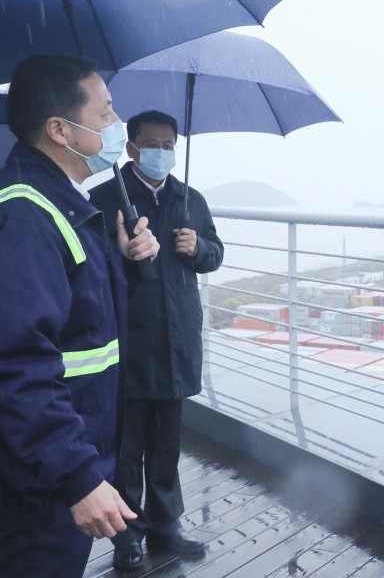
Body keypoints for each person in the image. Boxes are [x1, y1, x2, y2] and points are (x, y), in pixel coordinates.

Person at [0, 54, 159, 578]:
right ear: (60, 130)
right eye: (106, 113)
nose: (117, 124)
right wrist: (77, 475)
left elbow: (73, 320)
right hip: (39, 481)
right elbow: (19, 364)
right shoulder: (24, 219)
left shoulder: (54, 204)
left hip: (50, 462)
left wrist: (125, 266)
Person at [90, 110, 223, 570]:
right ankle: (127, 534)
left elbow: (215, 252)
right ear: (131, 148)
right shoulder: (105, 198)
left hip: (177, 338)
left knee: (167, 443)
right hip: (128, 340)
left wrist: (198, 248)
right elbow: (87, 268)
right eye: (152, 144)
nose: (161, 152)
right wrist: (122, 255)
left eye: (169, 145)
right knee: (127, 447)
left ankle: (167, 525)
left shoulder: (190, 199)